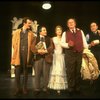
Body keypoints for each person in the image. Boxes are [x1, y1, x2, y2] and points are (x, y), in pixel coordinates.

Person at [61, 18, 88, 95]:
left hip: (79, 54)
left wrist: (87, 50)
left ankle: (77, 87)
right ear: (67, 25)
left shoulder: (81, 31)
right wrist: (68, 45)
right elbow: (62, 43)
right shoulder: (65, 33)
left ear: (75, 23)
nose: (71, 23)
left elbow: (84, 43)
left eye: (72, 22)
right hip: (70, 55)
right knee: (70, 72)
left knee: (78, 71)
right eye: (69, 23)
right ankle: (71, 88)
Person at [11, 17, 35, 95]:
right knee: (17, 71)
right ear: (24, 23)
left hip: (27, 54)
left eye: (30, 23)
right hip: (18, 53)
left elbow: (33, 44)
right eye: (29, 23)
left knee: (25, 71)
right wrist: (18, 50)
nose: (30, 25)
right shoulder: (17, 32)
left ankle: (24, 88)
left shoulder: (31, 33)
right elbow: (13, 43)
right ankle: (18, 88)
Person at [31, 26, 54, 95]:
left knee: (46, 74)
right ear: (40, 32)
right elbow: (32, 47)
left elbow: (51, 47)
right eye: (44, 30)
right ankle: (37, 89)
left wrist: (46, 51)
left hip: (46, 58)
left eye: (46, 30)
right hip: (38, 59)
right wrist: (38, 50)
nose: (45, 31)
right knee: (37, 74)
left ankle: (45, 88)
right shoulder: (36, 38)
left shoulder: (49, 39)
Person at [48, 25, 68, 94]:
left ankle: (61, 86)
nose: (59, 31)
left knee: (61, 71)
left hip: (62, 56)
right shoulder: (53, 38)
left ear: (61, 31)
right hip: (55, 56)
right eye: (57, 30)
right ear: (55, 31)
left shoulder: (64, 38)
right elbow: (50, 47)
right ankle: (56, 87)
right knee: (56, 71)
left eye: (60, 30)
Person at [86, 22, 100, 92]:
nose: (93, 27)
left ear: (97, 27)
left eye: (94, 26)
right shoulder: (88, 35)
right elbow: (86, 45)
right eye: (91, 26)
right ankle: (93, 85)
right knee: (93, 69)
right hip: (92, 54)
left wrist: (98, 41)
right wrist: (90, 45)